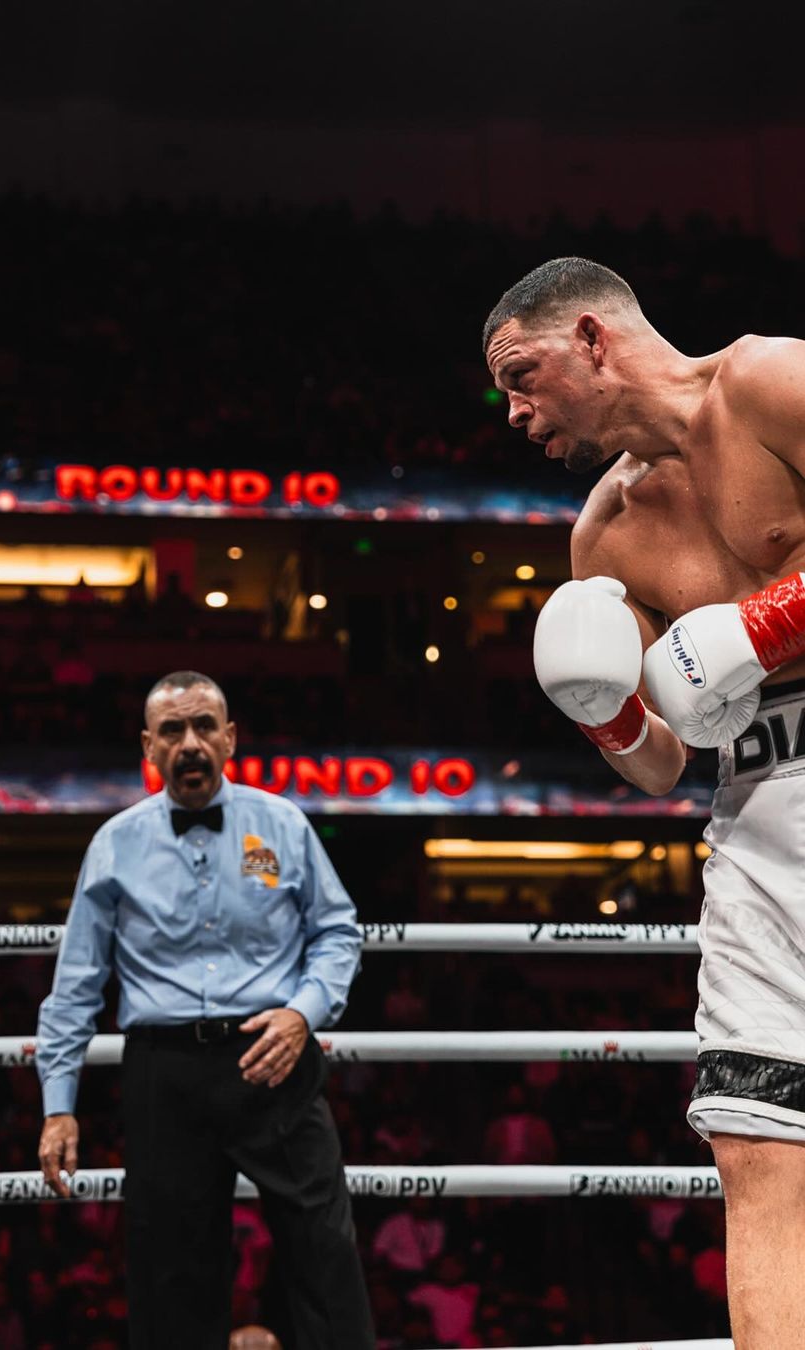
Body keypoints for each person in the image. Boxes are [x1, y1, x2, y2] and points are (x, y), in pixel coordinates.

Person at [484, 255, 805, 1348]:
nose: (515, 411)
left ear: (590, 335)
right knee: (756, 1142)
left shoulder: (767, 383)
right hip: (755, 818)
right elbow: (665, 764)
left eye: (521, 375)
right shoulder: (601, 538)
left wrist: (768, 625)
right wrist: (605, 716)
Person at [35, 670, 374, 1350]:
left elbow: (337, 932)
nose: (189, 743)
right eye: (172, 731)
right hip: (168, 1072)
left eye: (203, 727)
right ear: (149, 748)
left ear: (230, 737)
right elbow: (77, 981)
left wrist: (304, 1013)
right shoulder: (115, 843)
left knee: (324, 1250)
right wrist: (58, 1102)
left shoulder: (283, 822)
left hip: (274, 1055)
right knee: (171, 1270)